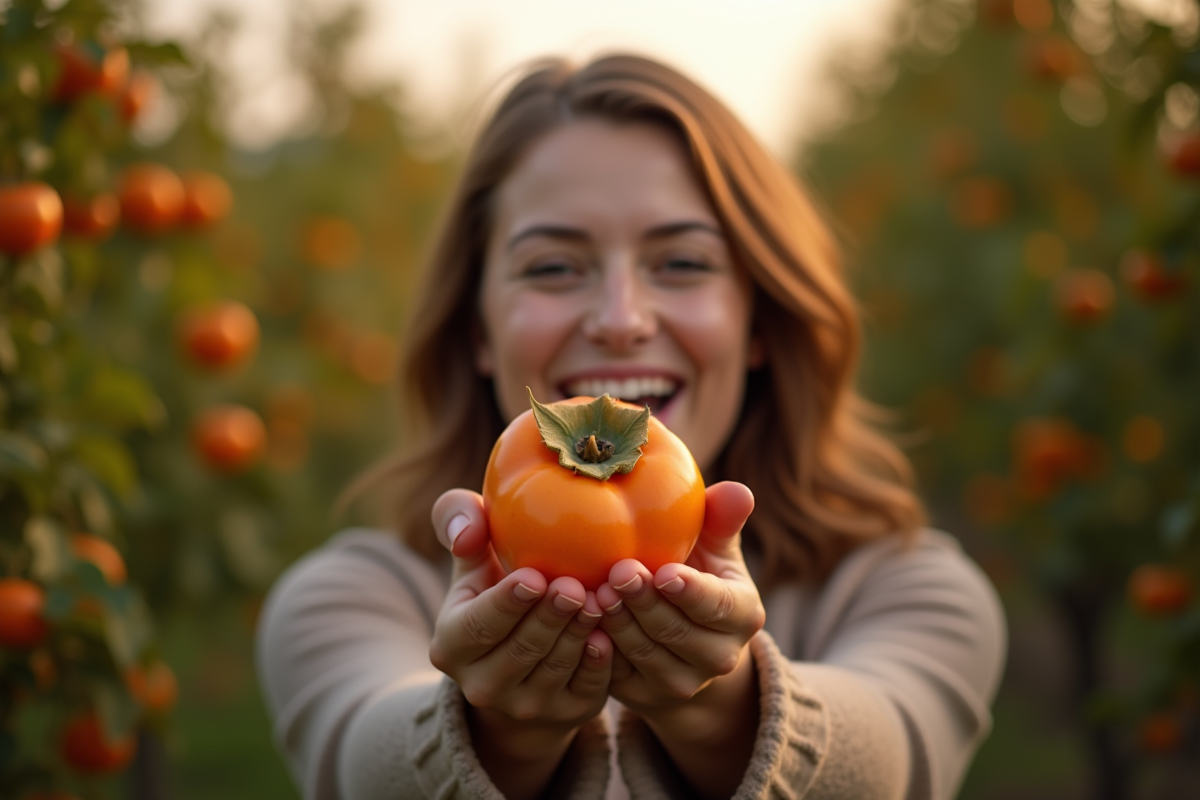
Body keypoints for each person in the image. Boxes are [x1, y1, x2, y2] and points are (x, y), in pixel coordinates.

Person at [255, 53, 1006, 800]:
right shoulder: (348, 596)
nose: (621, 320)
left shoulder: (910, 590)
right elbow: (367, 766)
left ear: (758, 321)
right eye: (552, 268)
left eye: (682, 262)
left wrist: (725, 705)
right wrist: (495, 730)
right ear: (476, 329)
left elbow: (888, 766)